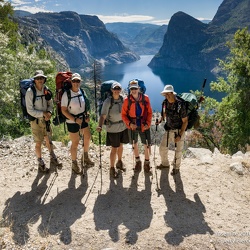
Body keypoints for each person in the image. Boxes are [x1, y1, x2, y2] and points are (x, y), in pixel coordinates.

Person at [25, 70, 59, 172]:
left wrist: (49, 112)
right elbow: (29, 110)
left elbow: (50, 103)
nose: (40, 80)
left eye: (41, 78)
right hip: (36, 121)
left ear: (44, 79)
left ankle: (52, 156)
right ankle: (40, 161)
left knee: (48, 138)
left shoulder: (46, 89)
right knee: (38, 142)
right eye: (38, 78)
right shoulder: (30, 92)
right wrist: (43, 114)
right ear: (34, 80)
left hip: (46, 119)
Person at [61, 73, 94, 174]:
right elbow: (64, 110)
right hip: (72, 121)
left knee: (87, 137)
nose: (76, 83)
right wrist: (74, 120)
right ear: (71, 82)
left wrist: (87, 115)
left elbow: (86, 106)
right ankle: (74, 163)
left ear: (80, 82)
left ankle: (85, 156)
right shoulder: (66, 94)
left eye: (78, 81)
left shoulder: (82, 91)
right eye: (74, 81)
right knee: (75, 142)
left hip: (82, 118)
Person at [96, 81, 129, 179]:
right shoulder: (107, 101)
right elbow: (103, 115)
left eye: (118, 89)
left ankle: (119, 162)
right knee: (114, 148)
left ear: (120, 90)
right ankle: (111, 168)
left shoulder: (122, 99)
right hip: (113, 129)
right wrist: (100, 126)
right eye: (115, 89)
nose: (116, 91)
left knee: (121, 146)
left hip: (123, 127)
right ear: (111, 90)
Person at [121, 80, 153, 173]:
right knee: (134, 143)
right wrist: (129, 124)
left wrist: (148, 123)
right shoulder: (127, 100)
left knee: (146, 143)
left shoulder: (145, 98)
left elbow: (149, 112)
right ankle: (138, 161)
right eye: (132, 89)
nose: (134, 90)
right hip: (133, 124)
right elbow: (123, 114)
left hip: (143, 124)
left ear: (138, 89)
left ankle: (147, 163)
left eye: (135, 88)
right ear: (130, 90)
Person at [156, 85, 188, 175]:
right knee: (162, 148)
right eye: (165, 94)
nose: (167, 96)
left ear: (173, 94)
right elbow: (164, 114)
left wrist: (180, 135)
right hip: (169, 129)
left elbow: (185, 121)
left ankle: (176, 167)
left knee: (178, 151)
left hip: (179, 130)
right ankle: (165, 164)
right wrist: (160, 120)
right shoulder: (165, 103)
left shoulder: (180, 105)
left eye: (168, 94)